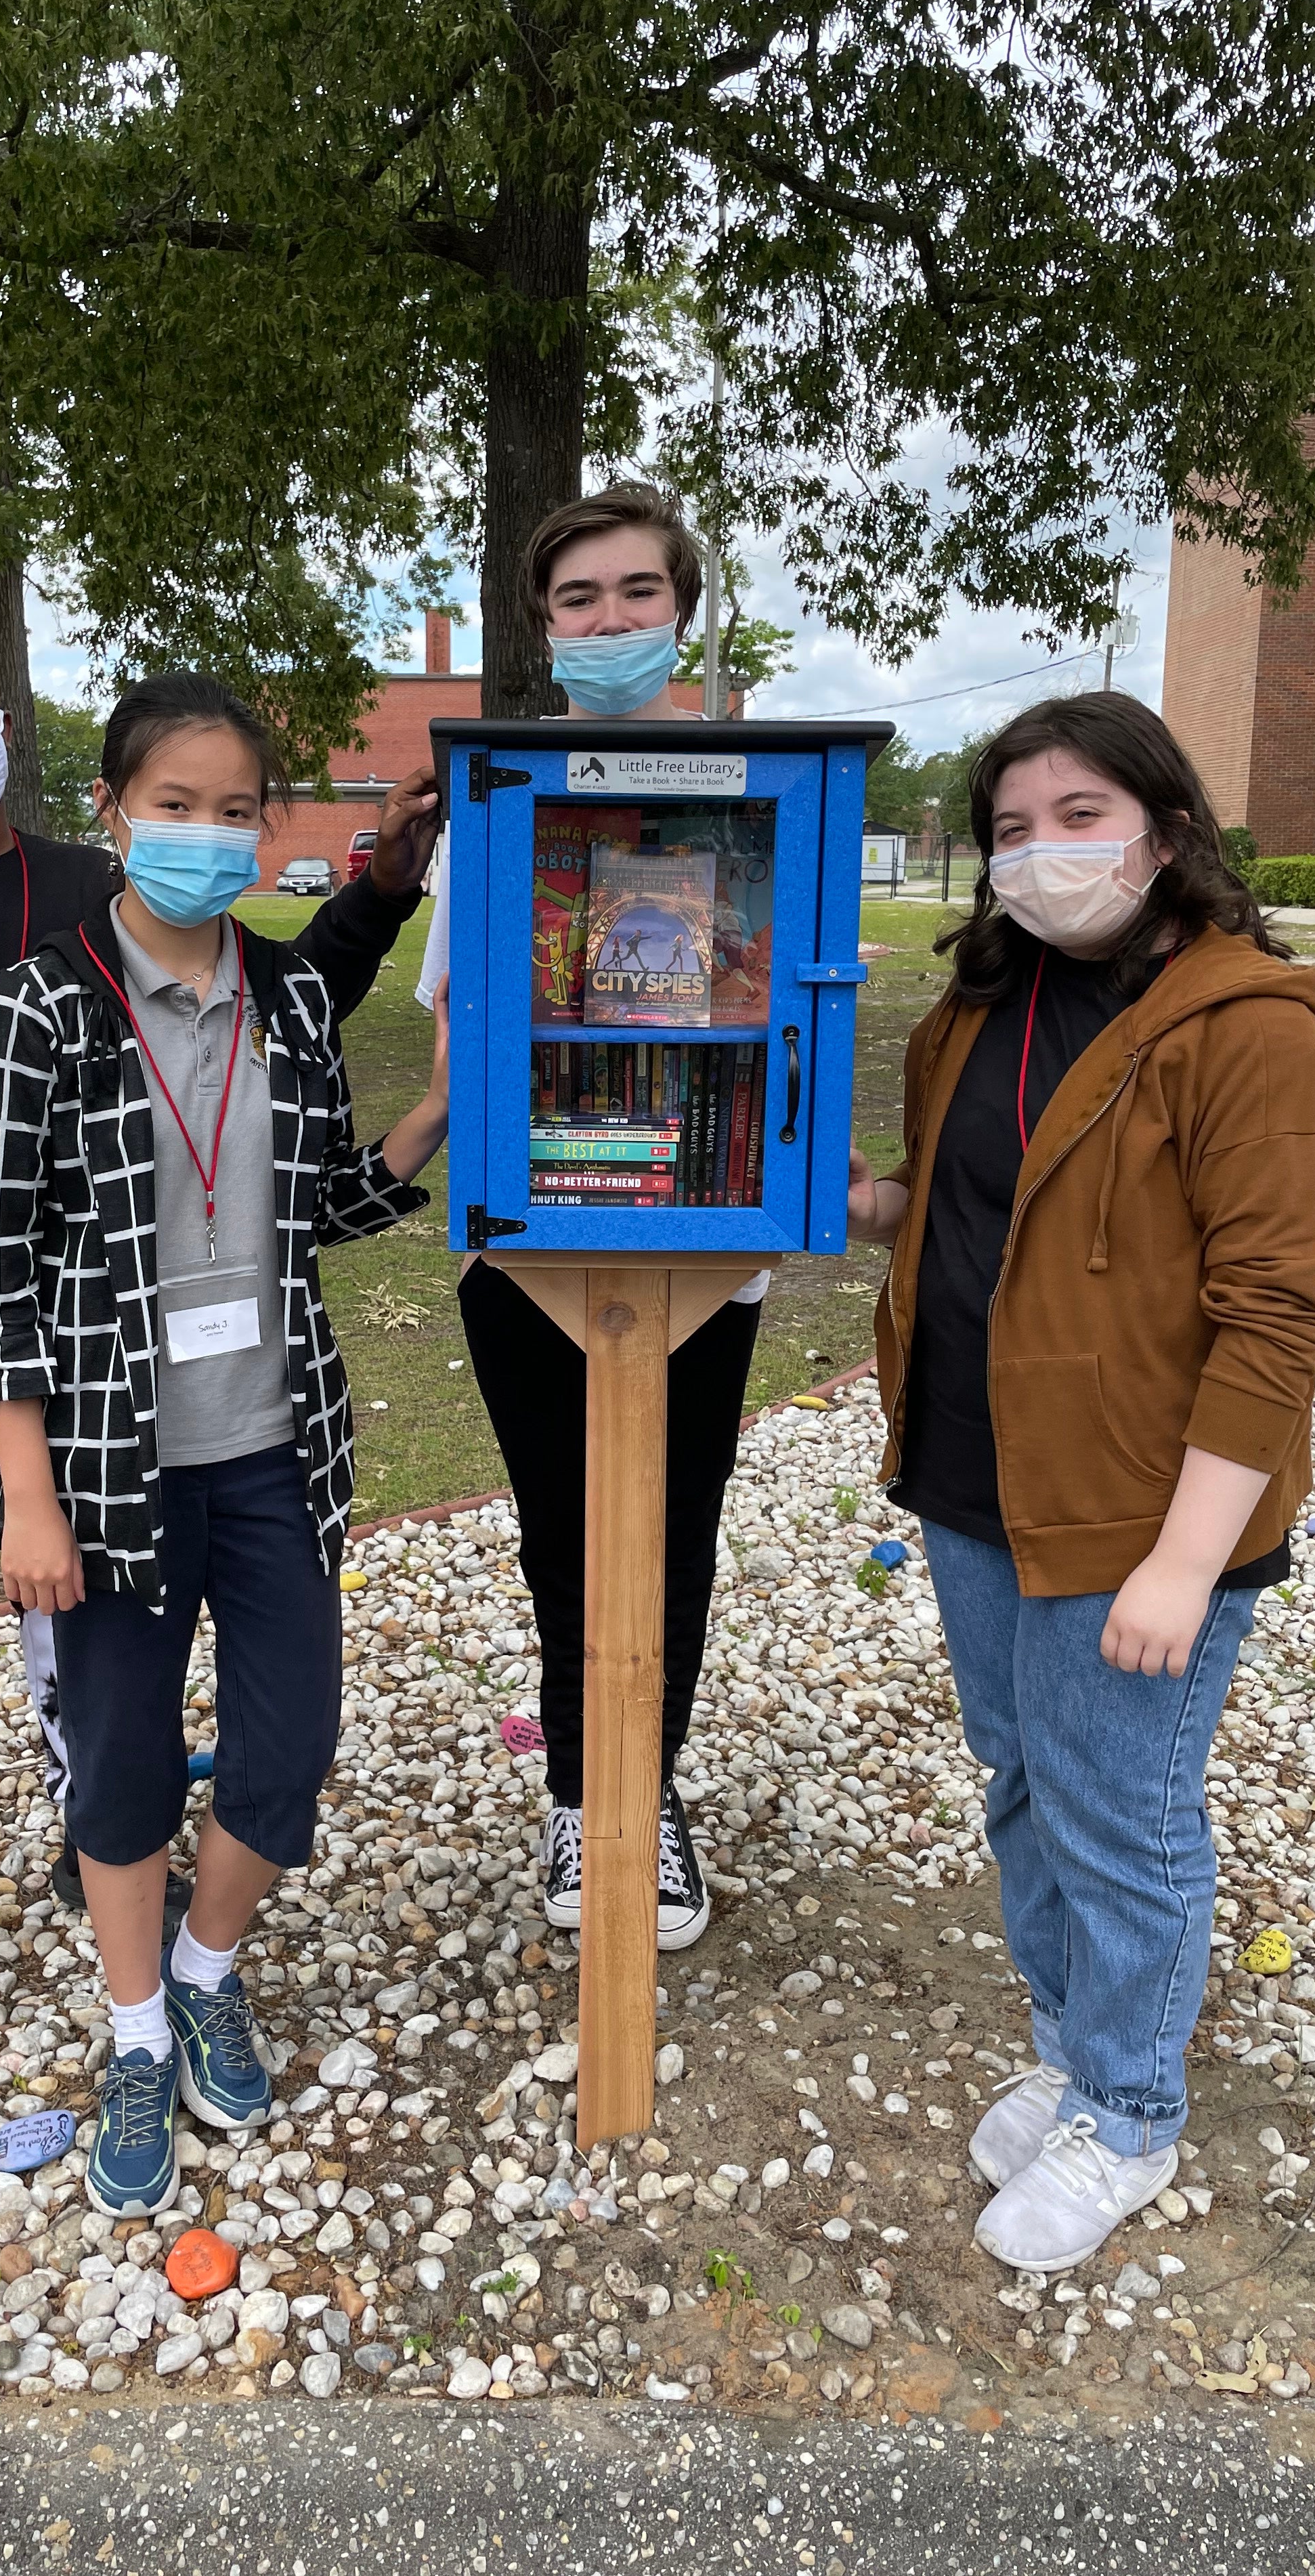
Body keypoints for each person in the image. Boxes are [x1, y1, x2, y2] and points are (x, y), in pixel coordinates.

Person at [0, 624, 437, 2046]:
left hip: (116, 1318)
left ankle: (110, 1854)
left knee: (85, 1651)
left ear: (6, 720)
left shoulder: (90, 883)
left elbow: (286, 1004)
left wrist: (383, 882)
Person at [849, 694, 1315, 2273]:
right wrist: (827, 1197)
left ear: (1170, 830)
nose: (1043, 853)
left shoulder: (1248, 1029)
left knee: (1120, 1811)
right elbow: (953, 1211)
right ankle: (1077, 2047)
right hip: (971, 1479)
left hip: (1142, 1511)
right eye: (1011, 827)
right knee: (1023, 1786)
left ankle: (1132, 2110)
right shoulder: (975, 1016)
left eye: (1082, 817)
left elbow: (1280, 1307)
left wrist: (1183, 1560)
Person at [0, 671, 450, 2214]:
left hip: (274, 1450)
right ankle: (131, 2034)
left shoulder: (290, 1001)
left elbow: (314, 1216)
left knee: (289, 1747)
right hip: (108, 1468)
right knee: (119, 1763)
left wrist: (427, 1124)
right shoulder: (35, 1010)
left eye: (236, 810)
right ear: (112, 816)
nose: (207, 834)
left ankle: (204, 1967)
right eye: (175, 804)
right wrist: (26, 1498)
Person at [446, 480, 767, 1950]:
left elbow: (777, 1013)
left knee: (672, 1529)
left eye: (638, 594)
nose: (611, 622)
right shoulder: (496, 807)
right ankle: (587, 1796)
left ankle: (655, 1784)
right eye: (580, 601)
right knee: (563, 1535)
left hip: (701, 1244)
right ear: (544, 629)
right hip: (536, 1254)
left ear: (682, 614)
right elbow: (463, 1034)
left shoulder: (759, 797)